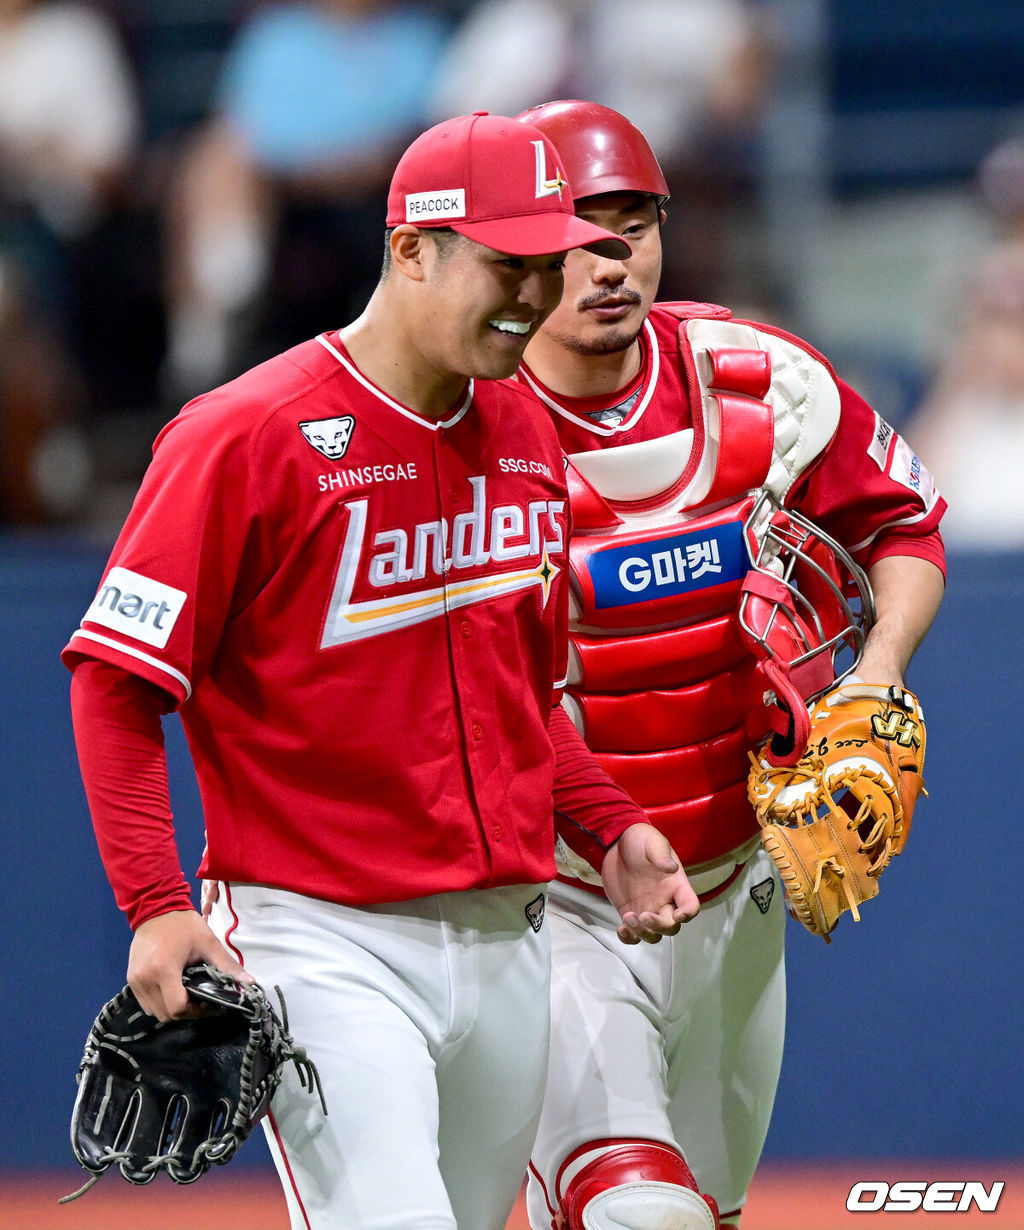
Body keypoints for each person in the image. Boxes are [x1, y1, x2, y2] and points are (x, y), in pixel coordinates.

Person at [61, 111, 701, 1230]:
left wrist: (603, 822)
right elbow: (116, 684)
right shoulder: (244, 434)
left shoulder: (521, 430)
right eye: (507, 263)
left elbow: (525, 696)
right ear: (411, 248)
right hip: (323, 936)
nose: (534, 296)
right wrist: (159, 906)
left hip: (511, 938)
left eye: (549, 266)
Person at [508, 100, 948, 1230]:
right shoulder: (469, 422)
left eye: (632, 226)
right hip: (555, 902)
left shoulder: (754, 377)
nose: (610, 261)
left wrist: (877, 671)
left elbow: (898, 526)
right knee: (631, 1213)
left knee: (707, 1212)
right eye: (576, 231)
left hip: (737, 888)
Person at [162, 0, 454, 400]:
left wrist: (337, 164)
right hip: (277, 184)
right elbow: (242, 123)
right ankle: (226, 284)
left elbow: (429, 130)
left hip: (373, 190)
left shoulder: (417, 38)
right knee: (217, 155)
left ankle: (223, 294)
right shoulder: (278, 34)